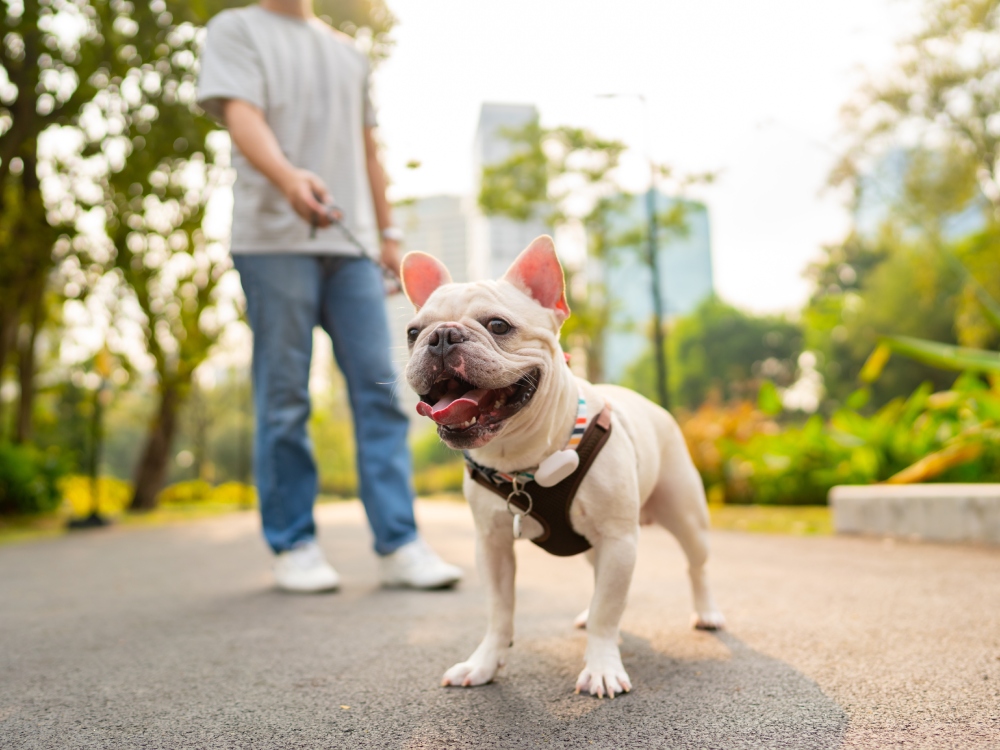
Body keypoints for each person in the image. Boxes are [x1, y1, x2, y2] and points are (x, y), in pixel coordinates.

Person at [196, 0, 461, 592]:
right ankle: (294, 544)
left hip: (354, 250)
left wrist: (389, 235)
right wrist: (290, 178)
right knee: (284, 394)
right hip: (271, 243)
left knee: (382, 391)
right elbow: (242, 115)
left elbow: (369, 149)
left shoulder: (349, 52)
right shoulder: (235, 29)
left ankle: (400, 543)